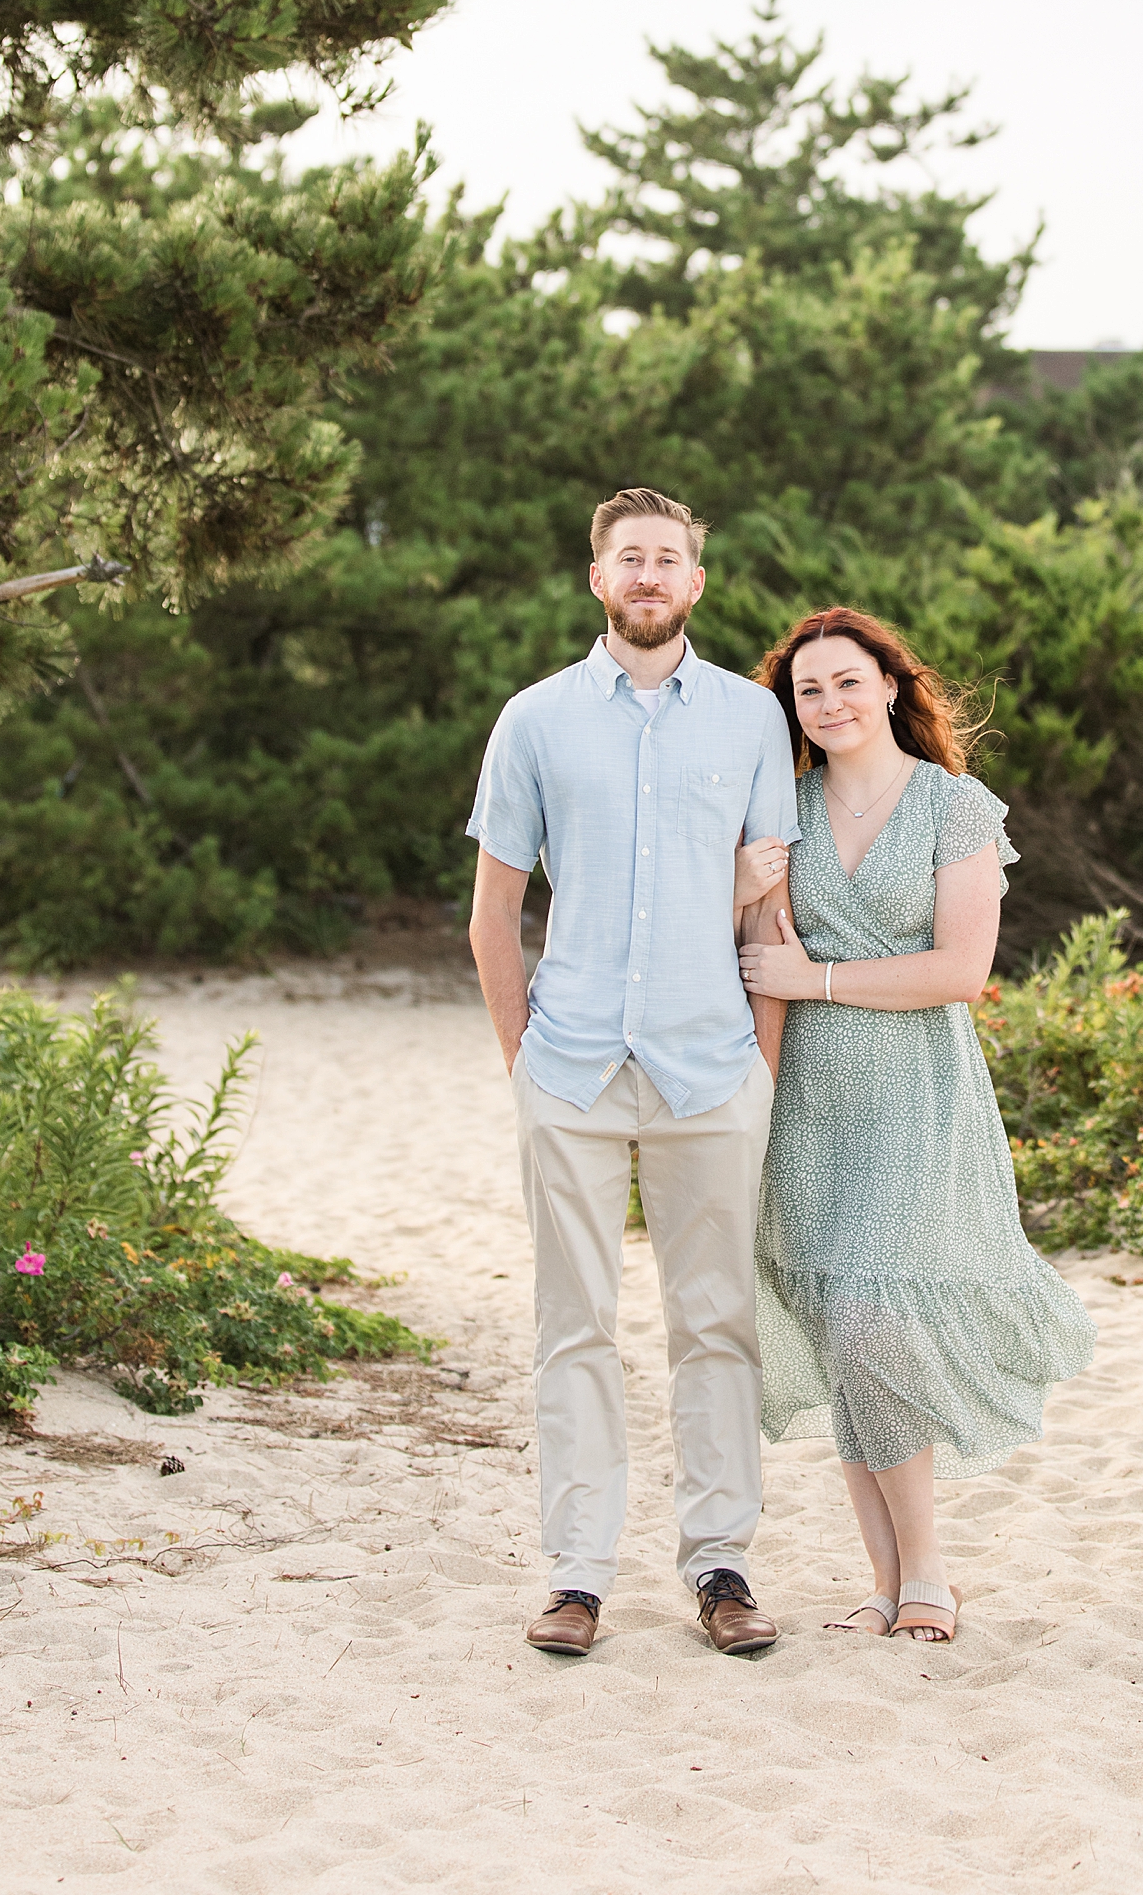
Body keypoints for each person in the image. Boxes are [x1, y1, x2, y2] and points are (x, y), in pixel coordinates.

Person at [466, 486, 799, 1660]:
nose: (650, 577)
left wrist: (761, 1065)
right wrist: (524, 1063)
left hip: (713, 1069)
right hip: (570, 1066)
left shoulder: (755, 720)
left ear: (695, 585)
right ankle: (576, 1576)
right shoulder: (537, 721)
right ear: (598, 580)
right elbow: (494, 915)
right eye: (630, 560)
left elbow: (775, 907)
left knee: (716, 1325)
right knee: (576, 1327)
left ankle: (720, 1566)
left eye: (669, 560)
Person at [734, 605, 1096, 1644]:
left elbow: (961, 970)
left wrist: (822, 977)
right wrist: (739, 890)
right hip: (805, 1104)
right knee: (844, 1331)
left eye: (849, 680)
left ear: (891, 685)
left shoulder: (954, 806)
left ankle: (928, 1573)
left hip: (916, 1095)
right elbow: (754, 958)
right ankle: (886, 1584)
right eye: (810, 690)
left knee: (872, 1318)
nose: (831, 702)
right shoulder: (782, 815)